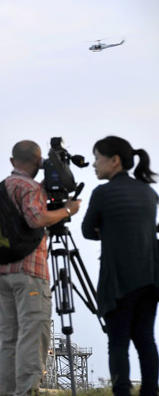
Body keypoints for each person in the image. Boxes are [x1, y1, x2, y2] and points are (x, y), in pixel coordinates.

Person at [0, 140, 81, 396]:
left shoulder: (4, 187)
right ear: (38, 162)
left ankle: (9, 393)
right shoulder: (30, 188)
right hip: (29, 272)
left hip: (2, 272)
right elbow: (36, 218)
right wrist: (66, 210)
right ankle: (27, 392)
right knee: (32, 333)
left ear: (12, 161)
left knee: (9, 338)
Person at [81, 136, 159, 396]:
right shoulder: (149, 193)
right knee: (146, 340)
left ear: (114, 161)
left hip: (118, 281)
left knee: (118, 343)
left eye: (97, 158)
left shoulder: (102, 193)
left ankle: (122, 392)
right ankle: (150, 391)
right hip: (150, 278)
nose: (94, 165)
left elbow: (86, 231)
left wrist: (108, 231)